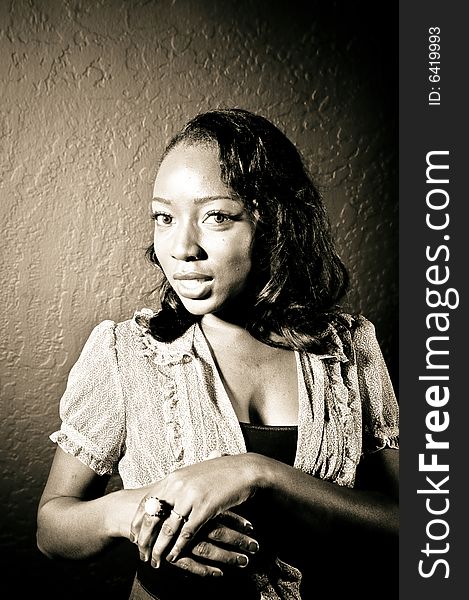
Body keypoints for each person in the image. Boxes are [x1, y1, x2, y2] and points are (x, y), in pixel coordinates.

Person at [37, 108, 399, 600]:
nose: (182, 247)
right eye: (164, 217)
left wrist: (257, 473)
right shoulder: (125, 353)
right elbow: (51, 530)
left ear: (275, 223)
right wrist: (135, 508)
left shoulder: (348, 348)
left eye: (217, 217)